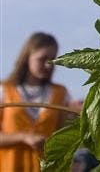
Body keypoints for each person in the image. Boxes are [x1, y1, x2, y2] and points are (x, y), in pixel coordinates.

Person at [1, 32, 71, 172]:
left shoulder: (61, 93)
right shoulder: (5, 90)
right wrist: (23, 137)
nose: (48, 65)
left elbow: (63, 136)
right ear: (27, 57)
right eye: (42, 59)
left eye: (52, 60)